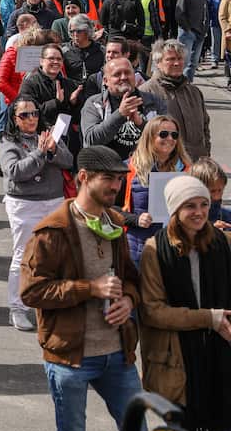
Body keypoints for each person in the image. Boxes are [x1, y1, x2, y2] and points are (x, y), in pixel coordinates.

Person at [20, 145, 143, 431]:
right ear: (84, 178)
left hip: (118, 355)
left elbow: (130, 278)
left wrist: (128, 300)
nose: (116, 186)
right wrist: (90, 288)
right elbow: (32, 291)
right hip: (70, 358)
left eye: (119, 178)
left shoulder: (114, 223)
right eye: (108, 178)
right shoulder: (51, 231)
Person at [137, 175, 231, 431]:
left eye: (203, 204)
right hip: (175, 363)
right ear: (175, 210)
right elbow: (153, 312)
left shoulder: (221, 243)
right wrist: (209, 319)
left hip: (219, 363)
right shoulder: (154, 250)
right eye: (190, 206)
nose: (200, 212)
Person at [0, 96, 75, 331]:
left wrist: (52, 150)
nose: (31, 119)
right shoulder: (8, 141)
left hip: (53, 201)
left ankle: (50, 303)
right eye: (24, 115)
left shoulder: (49, 135)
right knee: (23, 255)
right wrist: (40, 154)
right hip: (24, 205)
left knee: (55, 255)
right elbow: (15, 172)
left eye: (34, 113)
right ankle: (17, 308)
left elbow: (69, 160)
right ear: (15, 118)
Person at [123, 115, 192, 267]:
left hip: (174, 248)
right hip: (139, 248)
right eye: (163, 134)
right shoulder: (129, 169)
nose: (170, 139)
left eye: (174, 135)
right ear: (149, 137)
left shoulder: (186, 170)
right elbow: (108, 209)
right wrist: (136, 219)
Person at [81, 57, 168, 161]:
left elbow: (167, 137)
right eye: (117, 74)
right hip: (106, 171)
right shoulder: (94, 103)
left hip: (143, 170)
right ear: (105, 81)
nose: (123, 77)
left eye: (128, 73)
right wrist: (120, 114)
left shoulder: (153, 101)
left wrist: (141, 124)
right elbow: (91, 140)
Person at [138, 39, 211, 161]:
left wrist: (206, 153)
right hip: (163, 167)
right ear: (158, 63)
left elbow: (205, 126)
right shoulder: (145, 92)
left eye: (180, 58)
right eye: (170, 59)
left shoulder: (194, 92)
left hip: (196, 163)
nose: (177, 63)